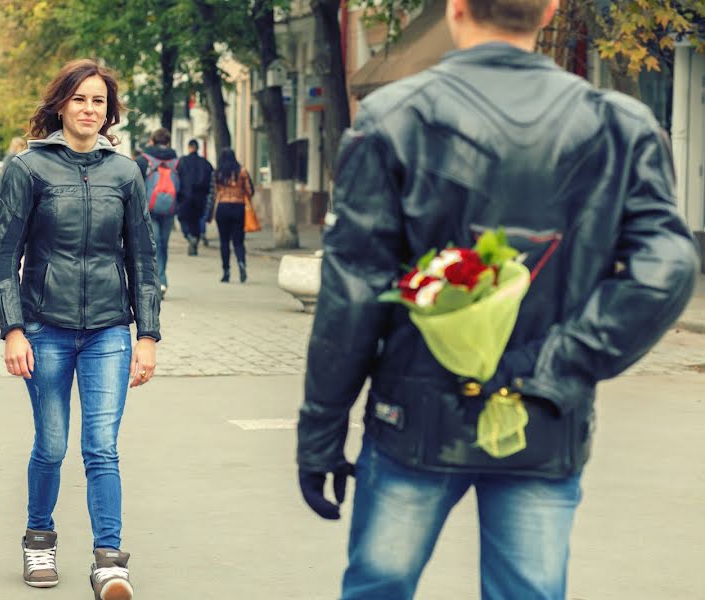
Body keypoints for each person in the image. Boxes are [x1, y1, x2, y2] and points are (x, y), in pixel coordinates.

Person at [295, 1, 700, 599]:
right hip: (543, 417)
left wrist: (320, 434)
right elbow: (668, 265)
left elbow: (352, 295)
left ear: (455, 6)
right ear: (551, 8)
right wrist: (564, 361)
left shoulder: (394, 117)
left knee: (378, 589)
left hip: (412, 418)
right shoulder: (618, 124)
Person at [0, 58, 160, 599]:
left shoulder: (125, 172)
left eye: (99, 101)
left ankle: (109, 560)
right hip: (44, 327)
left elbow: (144, 259)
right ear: (61, 103)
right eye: (80, 99)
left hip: (109, 329)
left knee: (101, 446)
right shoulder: (28, 169)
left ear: (109, 113)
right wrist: (13, 329)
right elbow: (2, 257)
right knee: (53, 443)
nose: (90, 109)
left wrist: (147, 335)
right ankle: (40, 537)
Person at [135, 128, 179, 298]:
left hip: (149, 209)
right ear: (168, 142)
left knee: (153, 245)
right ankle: (162, 280)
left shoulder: (143, 160)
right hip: (169, 210)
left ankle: (156, 282)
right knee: (163, 246)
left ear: (152, 141)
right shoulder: (176, 162)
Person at [206, 148, 252, 283]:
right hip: (238, 208)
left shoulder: (217, 173)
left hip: (223, 208)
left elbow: (213, 194)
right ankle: (241, 263)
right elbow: (249, 191)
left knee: (224, 241)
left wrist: (209, 213)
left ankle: (226, 272)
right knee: (238, 241)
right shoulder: (242, 171)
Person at [176, 139, 213, 256]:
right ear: (198, 148)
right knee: (196, 221)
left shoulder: (182, 161)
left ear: (189, 147)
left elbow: (177, 178)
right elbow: (211, 181)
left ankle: (189, 236)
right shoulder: (206, 163)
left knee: (183, 219)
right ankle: (195, 240)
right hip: (200, 198)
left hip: (184, 197)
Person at [0, 136, 28, 224]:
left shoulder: (10, 157)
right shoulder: (27, 157)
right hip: (23, 190)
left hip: (10, 190)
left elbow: (3, 175)